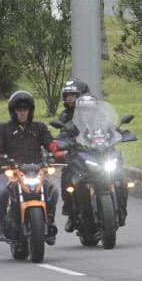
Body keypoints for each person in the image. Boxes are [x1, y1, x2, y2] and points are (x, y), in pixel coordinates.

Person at [0, 91, 59, 241]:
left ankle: (49, 222)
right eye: (19, 110)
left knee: (54, 190)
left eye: (25, 109)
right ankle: (1, 224)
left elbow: (51, 143)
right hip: (12, 171)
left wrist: (58, 151)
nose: (22, 113)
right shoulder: (4, 129)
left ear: (30, 111)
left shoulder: (39, 128)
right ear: (13, 111)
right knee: (0, 191)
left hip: (37, 171)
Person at [55, 78, 89, 231]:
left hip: (96, 151)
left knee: (119, 175)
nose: (69, 99)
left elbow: (106, 125)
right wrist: (62, 144)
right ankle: (70, 213)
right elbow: (62, 134)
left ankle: (120, 207)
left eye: (73, 95)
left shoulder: (94, 112)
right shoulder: (65, 116)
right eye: (67, 95)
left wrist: (116, 132)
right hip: (76, 154)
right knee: (67, 177)